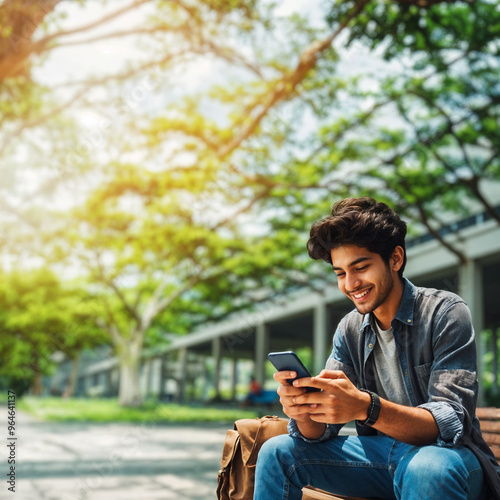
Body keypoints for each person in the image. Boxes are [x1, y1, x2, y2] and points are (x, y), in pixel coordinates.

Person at [254, 197, 500, 500]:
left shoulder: (445, 311)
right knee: (278, 450)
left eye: (361, 267)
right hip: (379, 458)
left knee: (427, 468)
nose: (351, 284)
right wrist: (304, 410)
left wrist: (364, 407)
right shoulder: (350, 328)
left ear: (395, 259)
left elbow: (448, 422)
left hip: (447, 457)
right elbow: (322, 431)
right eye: (340, 273)